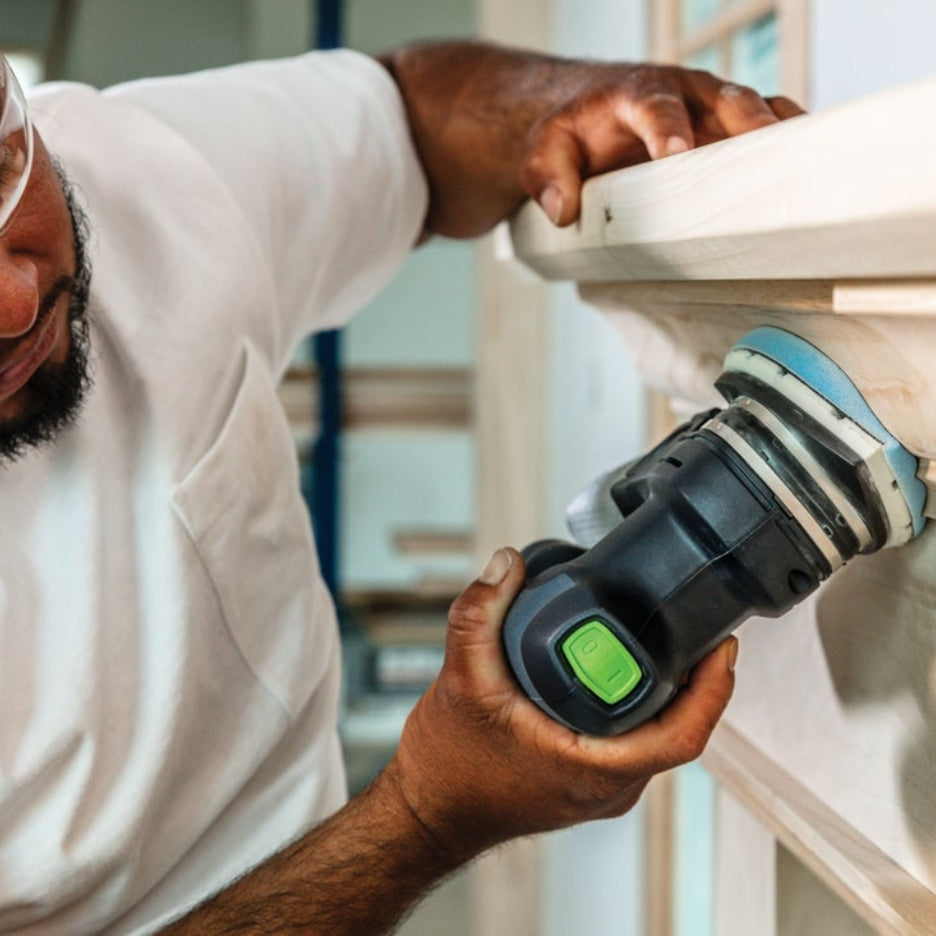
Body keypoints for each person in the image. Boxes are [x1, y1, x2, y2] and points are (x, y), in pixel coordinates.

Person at [0, 39, 802, 935]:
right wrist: (424, 812)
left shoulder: (131, 177)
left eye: (1, 171)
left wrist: (561, 104)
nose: (17, 301)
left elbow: (408, 124)